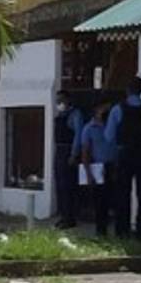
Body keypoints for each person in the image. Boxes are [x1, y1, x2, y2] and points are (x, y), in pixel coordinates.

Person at [105, 76, 141, 239]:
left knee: (122, 192)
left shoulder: (118, 109)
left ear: (127, 91)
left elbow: (109, 136)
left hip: (125, 153)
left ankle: (122, 230)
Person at [80, 102, 117, 236]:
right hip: (98, 166)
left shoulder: (113, 125)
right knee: (100, 201)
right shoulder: (89, 128)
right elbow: (85, 152)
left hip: (114, 165)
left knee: (116, 199)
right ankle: (101, 232)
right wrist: (88, 173)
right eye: (104, 109)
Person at [54, 91, 85, 229]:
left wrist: (74, 154)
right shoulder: (60, 115)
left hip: (68, 151)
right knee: (60, 185)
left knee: (69, 186)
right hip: (59, 151)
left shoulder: (75, 114)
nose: (59, 103)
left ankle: (70, 217)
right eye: (57, 100)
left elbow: (78, 135)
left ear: (68, 100)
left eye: (61, 100)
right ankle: (63, 215)